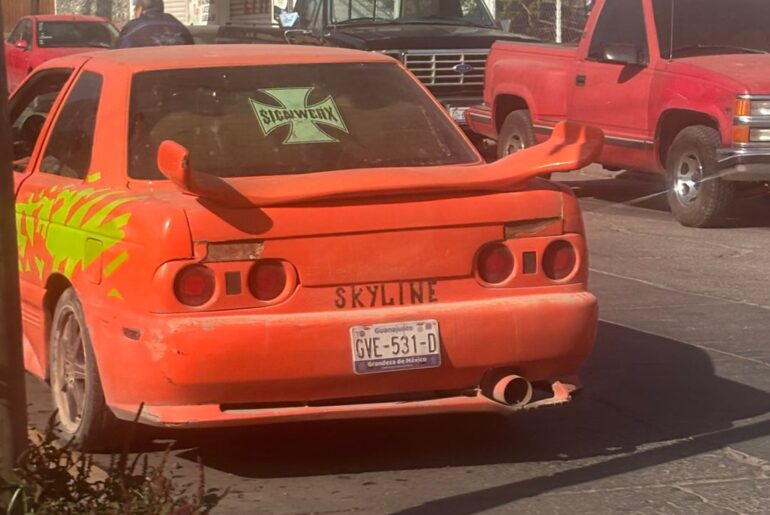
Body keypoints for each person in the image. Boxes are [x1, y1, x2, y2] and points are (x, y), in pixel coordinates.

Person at [116, 0, 194, 49]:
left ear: (140, 9)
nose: (134, 12)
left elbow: (120, 54)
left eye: (135, 9)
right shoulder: (176, 23)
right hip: (181, 72)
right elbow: (191, 46)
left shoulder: (132, 28)